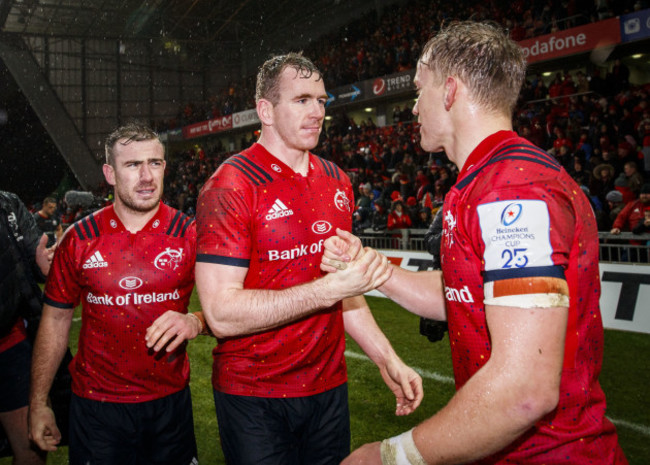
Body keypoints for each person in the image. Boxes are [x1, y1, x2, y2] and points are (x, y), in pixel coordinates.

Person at [323, 21, 627, 464]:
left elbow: (524, 391)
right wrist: (373, 269)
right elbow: (464, 293)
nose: (413, 108)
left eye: (418, 91)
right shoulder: (490, 178)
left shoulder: (510, 190)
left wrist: (389, 456)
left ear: (449, 91)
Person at [194, 52, 422, 465]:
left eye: (321, 100)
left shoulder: (337, 180)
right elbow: (221, 313)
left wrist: (388, 359)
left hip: (328, 389)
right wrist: (327, 289)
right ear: (265, 110)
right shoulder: (230, 185)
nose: (317, 111)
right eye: (301, 100)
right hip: (253, 394)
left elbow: (344, 294)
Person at [28, 123, 209, 465]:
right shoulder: (80, 239)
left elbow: (231, 304)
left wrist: (194, 320)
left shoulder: (190, 235)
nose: (146, 176)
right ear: (109, 173)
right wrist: (39, 402)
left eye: (155, 163)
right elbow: (55, 320)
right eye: (132, 165)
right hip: (97, 410)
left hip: (169, 406)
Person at [0, 191, 52, 465]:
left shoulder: (7, 203)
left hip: (10, 343)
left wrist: (45, 263)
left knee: (32, 449)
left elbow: (34, 254)